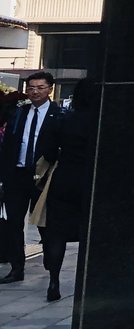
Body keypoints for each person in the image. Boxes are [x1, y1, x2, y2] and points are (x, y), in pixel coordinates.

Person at [32, 78, 99, 301]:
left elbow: (49, 151)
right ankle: (91, 280)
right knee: (93, 231)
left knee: (56, 232)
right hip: (93, 179)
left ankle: (54, 280)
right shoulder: (103, 120)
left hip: (64, 178)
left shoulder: (64, 119)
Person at [1, 71, 62, 285]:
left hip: (41, 177)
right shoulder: (18, 112)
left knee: (45, 223)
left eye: (40, 87)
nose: (35, 92)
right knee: (14, 223)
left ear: (50, 89)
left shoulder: (59, 114)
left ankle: (51, 260)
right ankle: (17, 267)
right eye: (31, 88)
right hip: (17, 174)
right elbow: (8, 143)